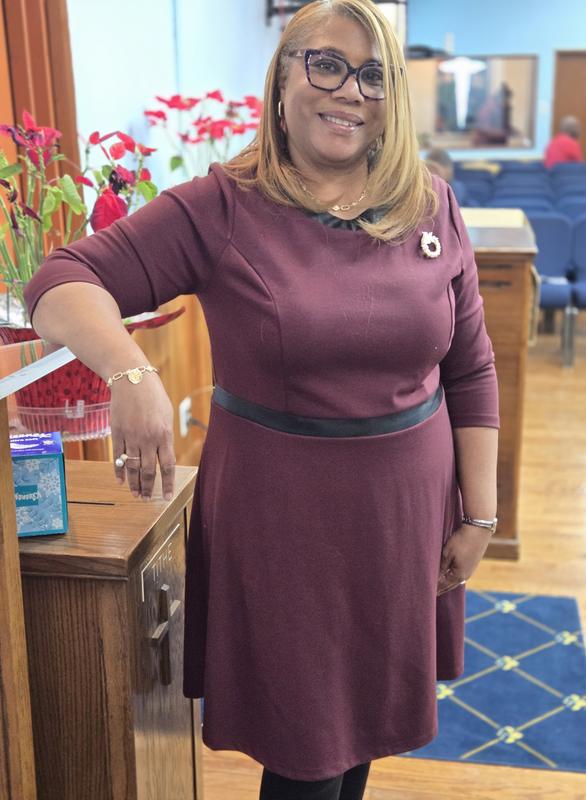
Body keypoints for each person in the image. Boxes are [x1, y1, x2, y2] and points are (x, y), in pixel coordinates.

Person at [23, 1, 499, 797]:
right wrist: (131, 372)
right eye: (327, 64)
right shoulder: (223, 206)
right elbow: (60, 279)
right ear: (283, 77)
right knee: (307, 752)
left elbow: (471, 368)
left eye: (373, 75)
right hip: (288, 526)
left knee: (362, 732)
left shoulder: (430, 203)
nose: (349, 91)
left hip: (404, 516)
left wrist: (479, 517)